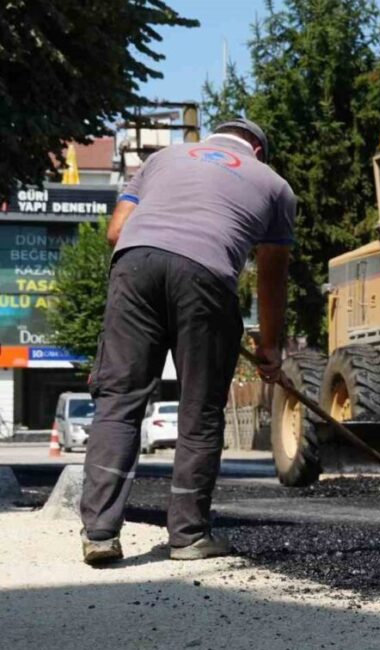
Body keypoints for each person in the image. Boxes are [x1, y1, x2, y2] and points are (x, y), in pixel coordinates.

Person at [80, 118, 294, 565]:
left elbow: (116, 231)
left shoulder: (162, 158)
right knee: (200, 409)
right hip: (207, 275)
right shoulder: (274, 185)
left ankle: (99, 533)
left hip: (134, 265)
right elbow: (272, 274)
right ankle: (188, 536)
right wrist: (270, 347)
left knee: (119, 399)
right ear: (258, 151)